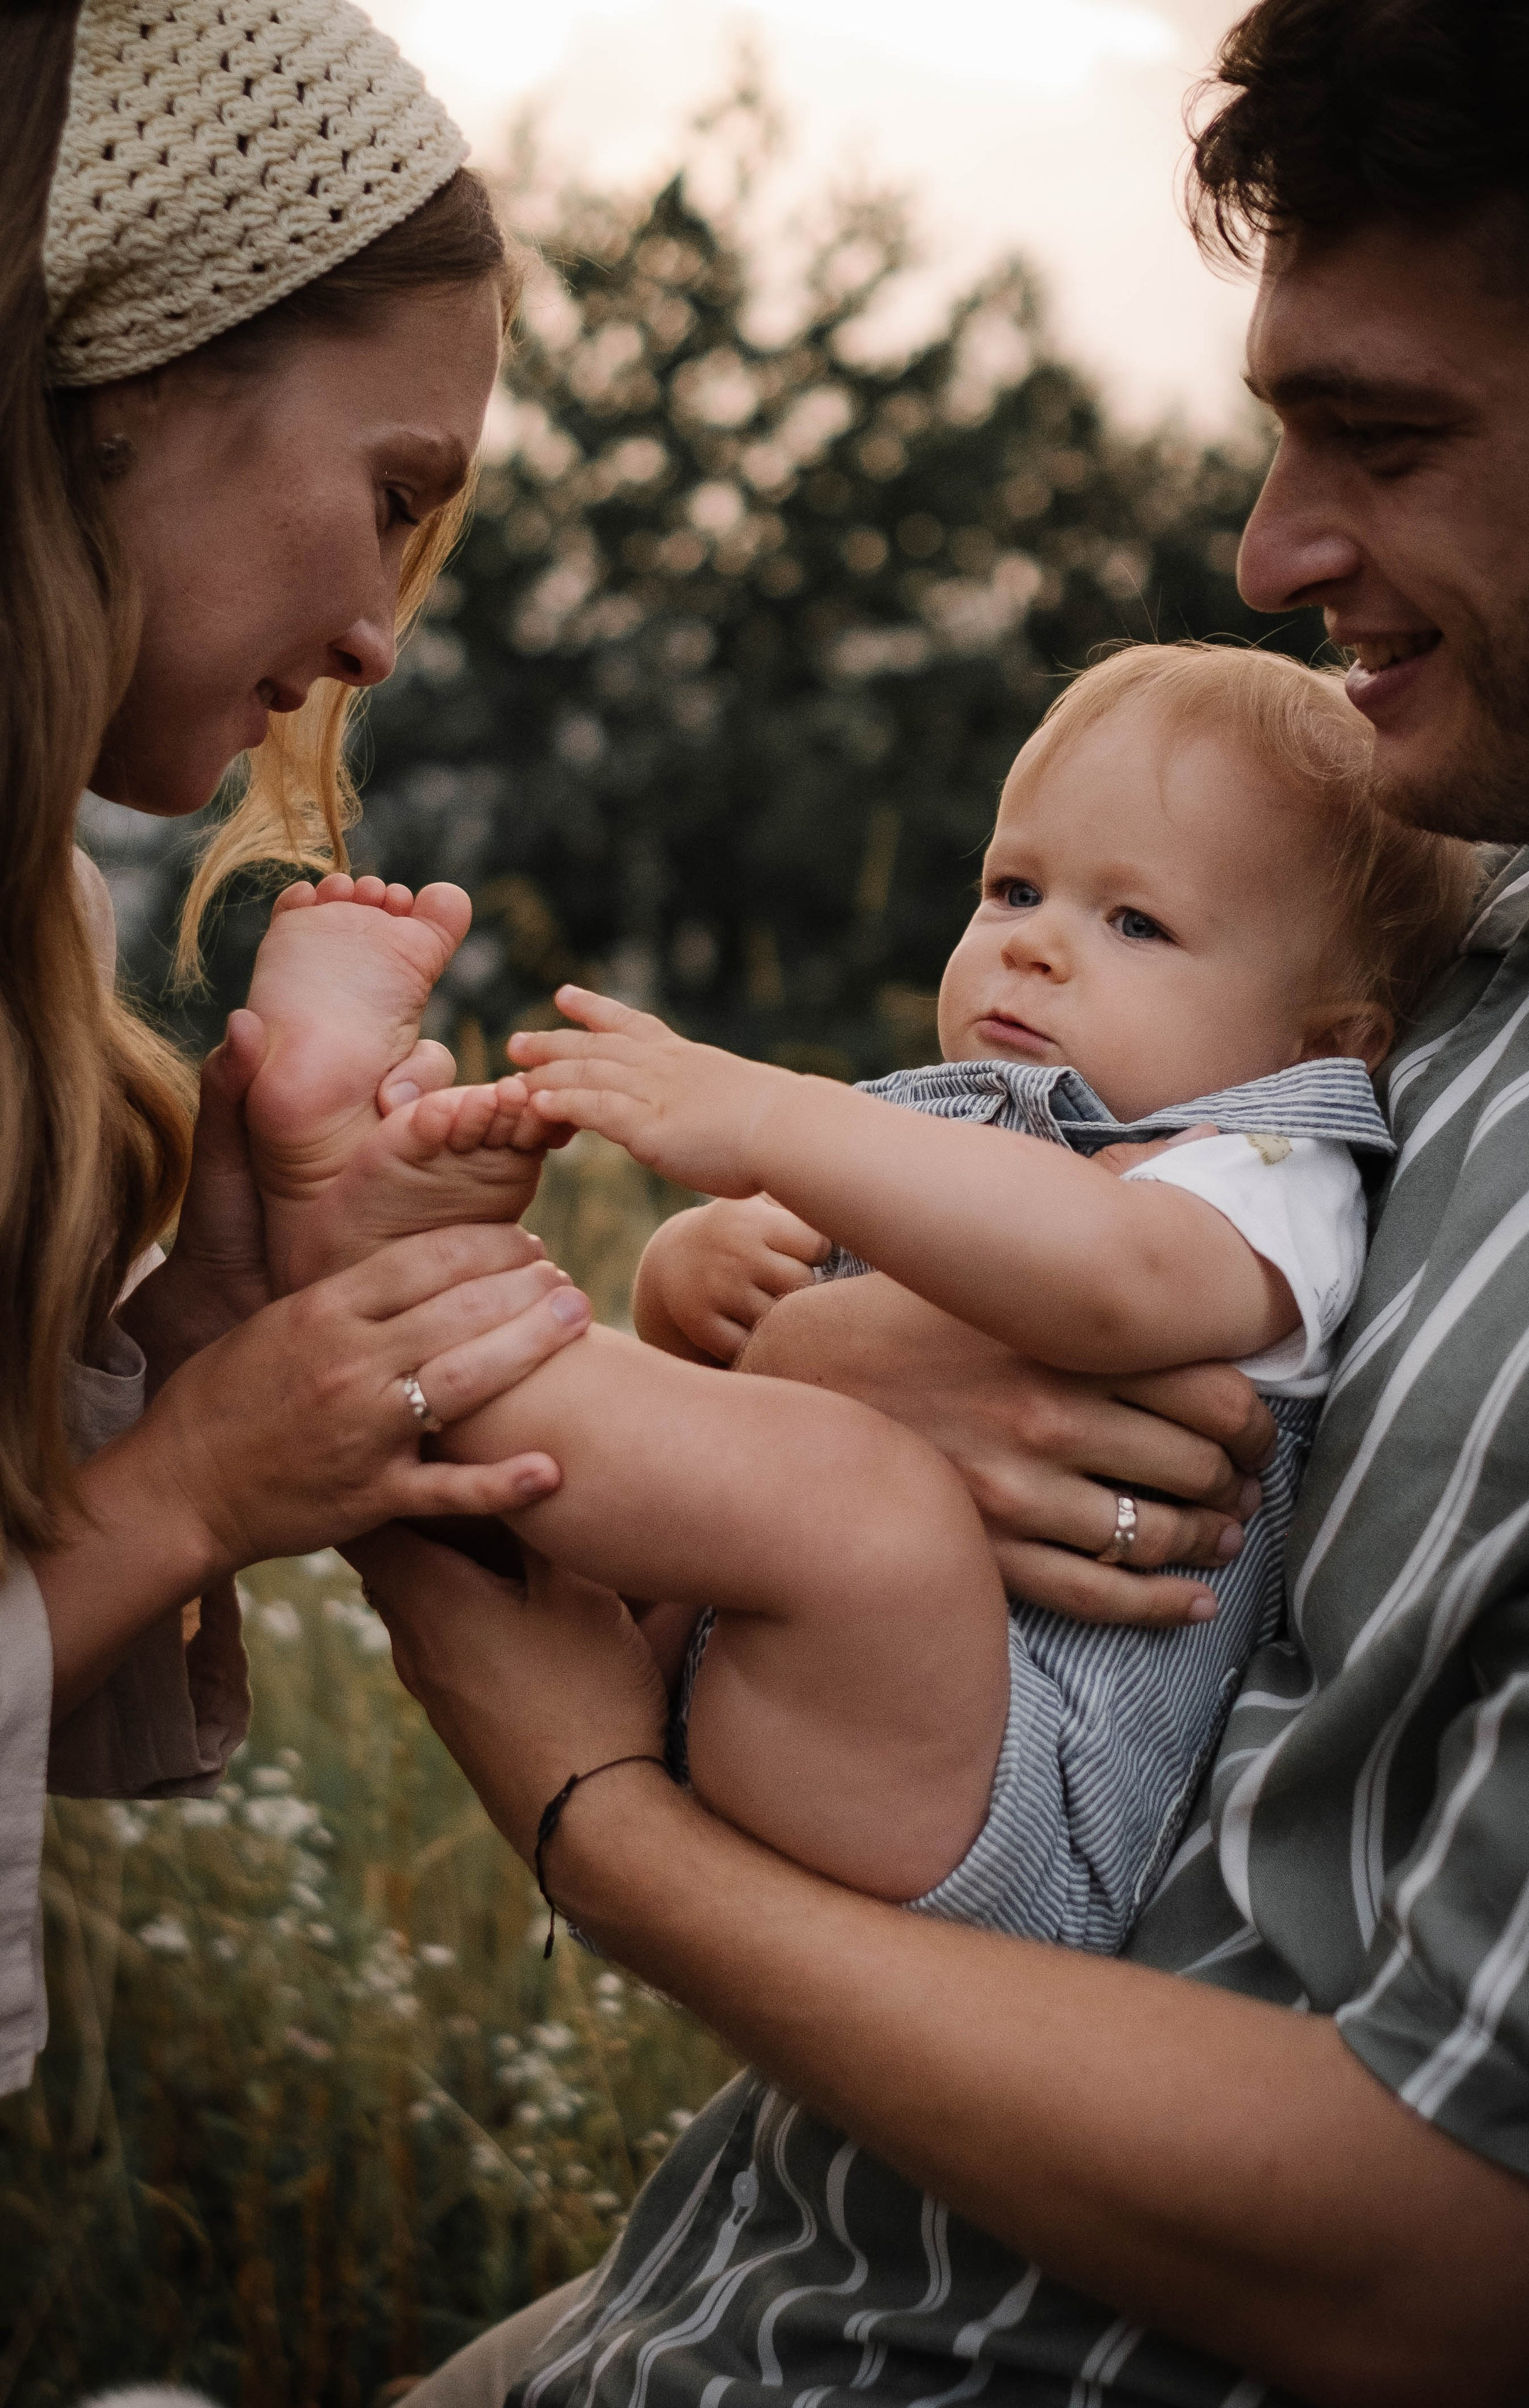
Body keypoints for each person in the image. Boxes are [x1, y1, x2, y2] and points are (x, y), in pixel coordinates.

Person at [378, 1, 1529, 2401]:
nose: (1278, 553)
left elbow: (1447, 2262)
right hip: (694, 2308)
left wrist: (591, 1809)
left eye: (1387, 436)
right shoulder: (1456, 954)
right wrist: (831, 1338)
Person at [236, 642, 1471, 1948]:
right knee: (620, 1472)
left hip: (1017, 1813)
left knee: (855, 1499)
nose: (1035, 947)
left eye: (1134, 923)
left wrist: (771, 1115)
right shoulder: (939, 1132)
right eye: (1012, 888)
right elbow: (747, 1336)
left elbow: (1115, 1280)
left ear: (1325, 1041)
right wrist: (688, 1276)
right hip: (706, 1679)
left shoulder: (1267, 1169)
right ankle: (398, 1248)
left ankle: (384, 1295)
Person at [0, 0, 600, 2101]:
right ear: (127, 390)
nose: (376, 637)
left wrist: (214, 1326)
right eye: (394, 489)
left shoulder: (38, 933)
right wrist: (184, 1493)